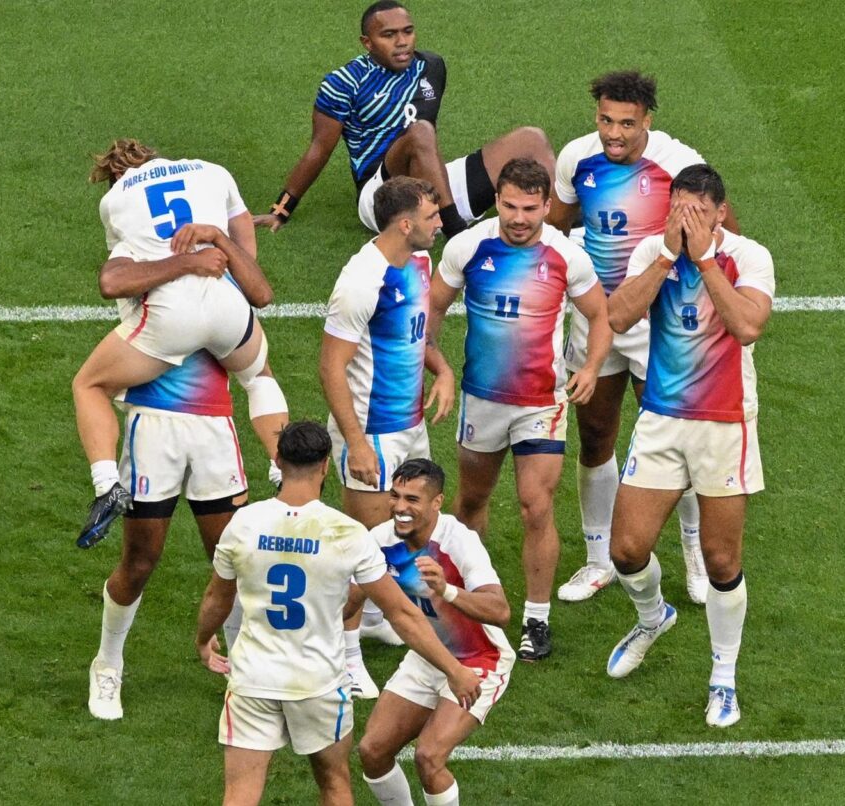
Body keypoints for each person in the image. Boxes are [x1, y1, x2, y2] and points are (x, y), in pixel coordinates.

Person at [194, 421, 481, 806]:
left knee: (240, 795)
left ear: (278, 460)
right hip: (319, 682)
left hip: (253, 678)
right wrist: (454, 668)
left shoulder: (243, 524)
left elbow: (217, 598)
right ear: (326, 465)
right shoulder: (346, 533)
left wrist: (203, 640)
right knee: (334, 784)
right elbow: (401, 613)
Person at [546, 70, 739, 605]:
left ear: (648, 121)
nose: (614, 134)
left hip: (664, 326)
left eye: (627, 124)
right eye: (606, 120)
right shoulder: (575, 159)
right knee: (596, 435)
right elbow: (557, 231)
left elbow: (727, 238)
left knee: (675, 442)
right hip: (599, 317)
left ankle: (695, 554)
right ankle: (597, 558)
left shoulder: (679, 165)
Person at [601, 165, 774, 728]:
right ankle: (654, 617)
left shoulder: (749, 256)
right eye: (678, 210)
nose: (685, 221)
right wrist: (667, 257)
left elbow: (748, 326)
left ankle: (723, 676)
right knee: (626, 550)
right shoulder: (654, 251)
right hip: (662, 420)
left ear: (720, 213)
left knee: (723, 561)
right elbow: (619, 315)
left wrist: (702, 260)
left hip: (723, 424)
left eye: (697, 213)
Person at [429, 157, 612, 662]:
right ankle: (467, 604)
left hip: (541, 402)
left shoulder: (565, 256)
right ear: (498, 202)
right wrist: (438, 365)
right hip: (482, 399)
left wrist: (592, 367)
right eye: (509, 206)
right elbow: (433, 307)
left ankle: (536, 618)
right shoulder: (467, 246)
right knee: (470, 504)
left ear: (547, 206)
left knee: (536, 505)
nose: (518, 217)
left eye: (530, 208)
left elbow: (600, 316)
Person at [75, 139, 286, 549]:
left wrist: (186, 262)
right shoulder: (213, 169)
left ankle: (106, 485)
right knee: (260, 376)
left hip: (172, 316)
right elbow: (247, 253)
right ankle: (282, 465)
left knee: (88, 384)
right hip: (228, 301)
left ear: (116, 174)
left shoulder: (116, 199)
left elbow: (116, 277)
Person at [87, 348, 287, 720]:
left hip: (214, 428)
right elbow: (109, 286)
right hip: (153, 424)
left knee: (233, 557)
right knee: (140, 561)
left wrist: (279, 455)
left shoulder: (229, 290)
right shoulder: (148, 288)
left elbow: (258, 363)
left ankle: (243, 673)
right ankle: (107, 663)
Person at [254, 0, 552, 239]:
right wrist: (281, 210)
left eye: (407, 31)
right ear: (367, 42)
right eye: (389, 35)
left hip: (432, 185)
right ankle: (457, 235)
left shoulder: (431, 66)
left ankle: (557, 229)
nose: (402, 42)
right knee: (420, 131)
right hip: (381, 196)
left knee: (532, 138)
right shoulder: (343, 82)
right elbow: (318, 149)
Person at [321, 175, 457, 695]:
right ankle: (345, 653)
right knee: (367, 550)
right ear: (405, 224)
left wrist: (442, 369)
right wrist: (355, 442)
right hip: (373, 432)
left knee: (405, 531)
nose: (440, 222)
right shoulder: (361, 282)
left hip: (410, 427)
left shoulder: (417, 262)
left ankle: (374, 622)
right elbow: (331, 368)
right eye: (431, 216)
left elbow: (414, 332)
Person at [357, 459, 513, 806]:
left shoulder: (458, 540)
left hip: (480, 658)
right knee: (372, 751)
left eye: (412, 499)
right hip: (427, 653)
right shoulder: (379, 541)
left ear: (437, 503)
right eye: (395, 496)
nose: (399, 507)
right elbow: (348, 601)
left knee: (429, 757)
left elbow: (500, 610)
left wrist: (447, 591)